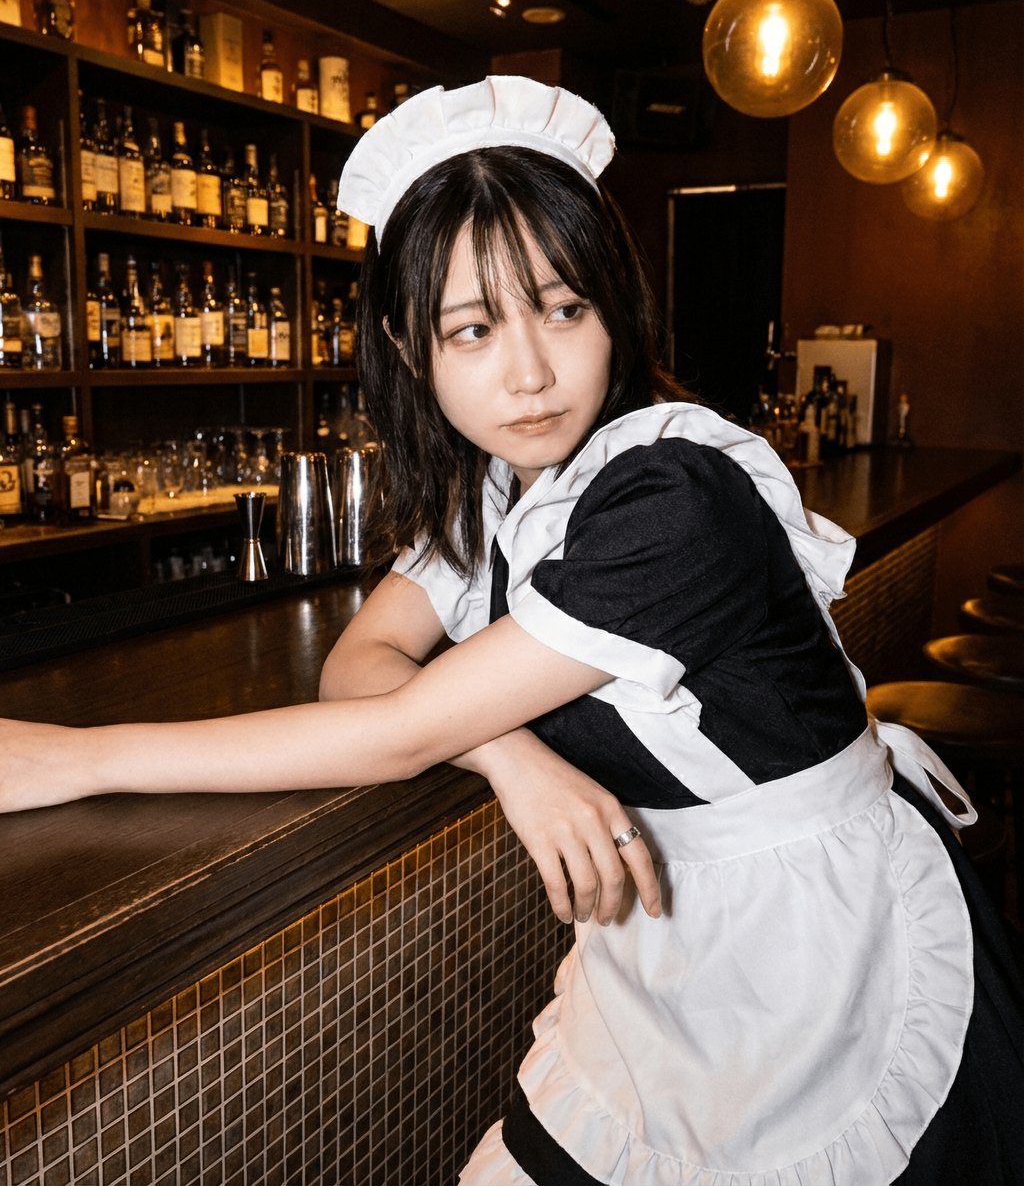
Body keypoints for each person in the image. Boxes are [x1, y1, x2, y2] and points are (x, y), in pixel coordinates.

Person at [1, 77, 1020, 1184]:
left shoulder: (669, 497)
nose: (529, 371)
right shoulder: (500, 488)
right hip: (673, 949)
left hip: (811, 947)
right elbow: (363, 661)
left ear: (613, 306)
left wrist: (73, 758)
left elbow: (391, 730)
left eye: (564, 308)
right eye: (473, 328)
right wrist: (506, 753)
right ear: (409, 343)